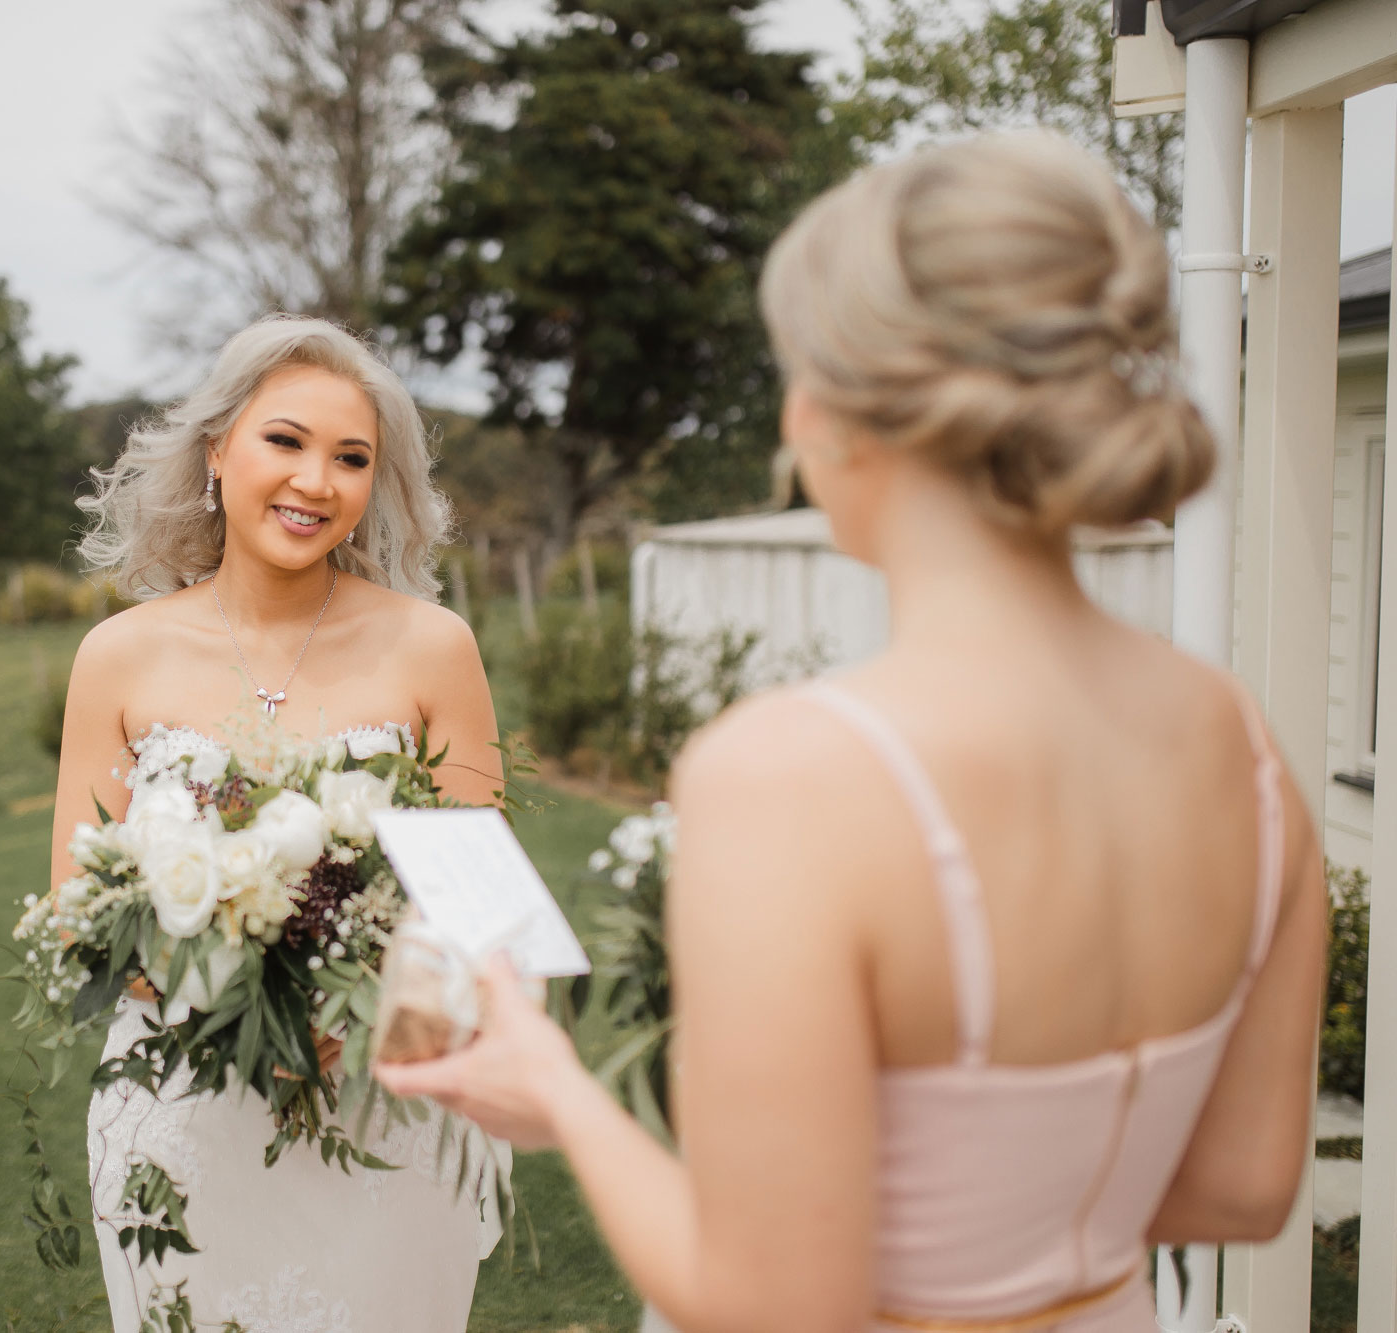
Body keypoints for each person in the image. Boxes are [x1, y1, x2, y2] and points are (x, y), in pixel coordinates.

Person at [377, 132, 1328, 1333]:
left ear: (840, 414)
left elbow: (771, 1307)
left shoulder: (790, 777)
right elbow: (1241, 1188)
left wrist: (559, 1089)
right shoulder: (1237, 744)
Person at [51, 315, 505, 1330]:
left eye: (351, 458)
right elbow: (80, 917)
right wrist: (239, 1007)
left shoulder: (434, 648)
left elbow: (477, 910)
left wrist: (360, 1014)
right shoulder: (117, 659)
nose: (315, 481)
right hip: (184, 1122)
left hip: (385, 1124)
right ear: (218, 450)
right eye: (285, 441)